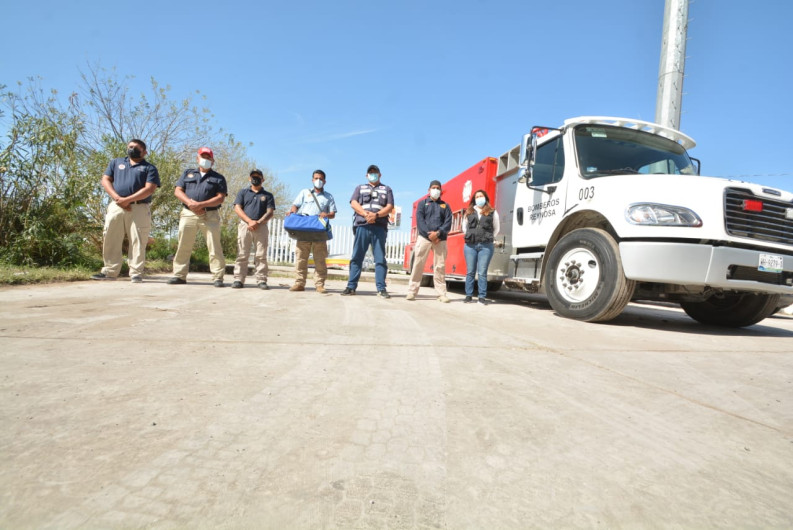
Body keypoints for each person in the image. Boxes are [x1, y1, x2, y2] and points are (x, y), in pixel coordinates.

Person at [91, 139, 161, 283]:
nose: (132, 149)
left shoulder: (149, 168)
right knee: (110, 237)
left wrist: (128, 200)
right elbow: (105, 180)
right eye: (130, 147)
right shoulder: (116, 163)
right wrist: (118, 198)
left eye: (136, 148)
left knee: (138, 239)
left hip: (139, 207)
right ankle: (110, 271)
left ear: (145, 152)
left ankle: (136, 272)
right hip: (116, 205)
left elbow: (150, 189)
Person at [168, 147, 228, 287]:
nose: (205, 159)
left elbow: (220, 198)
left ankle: (218, 277)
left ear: (212, 161)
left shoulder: (218, 178)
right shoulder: (187, 173)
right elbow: (178, 190)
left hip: (210, 215)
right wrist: (190, 203)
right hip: (188, 213)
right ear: (197, 158)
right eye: (203, 156)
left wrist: (201, 205)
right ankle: (179, 275)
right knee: (184, 245)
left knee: (214, 247)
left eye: (208, 157)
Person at [342, 164, 394, 297]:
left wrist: (376, 215)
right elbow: (354, 203)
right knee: (356, 257)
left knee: (380, 259)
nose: (373, 174)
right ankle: (351, 287)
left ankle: (381, 289)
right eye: (370, 172)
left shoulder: (386, 189)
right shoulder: (360, 188)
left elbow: (389, 206)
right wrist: (366, 215)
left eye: (375, 172)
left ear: (380, 174)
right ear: (366, 175)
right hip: (362, 226)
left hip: (379, 227)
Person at [287, 169, 337, 293]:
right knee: (300, 259)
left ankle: (319, 285)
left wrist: (326, 214)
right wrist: (292, 210)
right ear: (312, 180)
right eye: (316, 178)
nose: (318, 181)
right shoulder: (305, 192)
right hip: (303, 230)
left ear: (324, 181)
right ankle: (299, 283)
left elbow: (333, 214)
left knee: (320, 260)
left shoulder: (329, 196)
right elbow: (295, 205)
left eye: (320, 178)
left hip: (319, 232)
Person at [406, 180, 452, 302]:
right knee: (418, 264)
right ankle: (412, 291)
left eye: (438, 188)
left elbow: (448, 223)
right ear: (429, 190)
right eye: (433, 188)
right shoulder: (423, 204)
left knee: (440, 266)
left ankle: (441, 294)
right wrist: (429, 235)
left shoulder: (445, 206)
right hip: (424, 237)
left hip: (440, 239)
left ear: (441, 190)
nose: (436, 190)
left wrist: (438, 234)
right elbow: (420, 221)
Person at [231, 169, 275, 290]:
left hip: (261, 226)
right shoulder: (243, 192)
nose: (255, 179)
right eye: (253, 177)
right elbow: (237, 208)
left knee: (261, 255)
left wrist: (258, 222)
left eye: (258, 177)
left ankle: (261, 280)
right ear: (249, 179)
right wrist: (249, 221)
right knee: (242, 253)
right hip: (245, 225)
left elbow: (270, 212)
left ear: (263, 179)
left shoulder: (268, 195)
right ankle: (238, 279)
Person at [462, 189, 500, 304]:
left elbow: (496, 228)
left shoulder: (492, 211)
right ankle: (468, 296)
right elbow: (464, 227)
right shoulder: (469, 211)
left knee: (482, 272)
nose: (479, 198)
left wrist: (488, 237)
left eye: (481, 196)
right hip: (470, 246)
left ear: (485, 198)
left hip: (486, 246)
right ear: (474, 199)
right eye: (477, 196)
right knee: (470, 272)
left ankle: (481, 297)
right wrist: (470, 235)